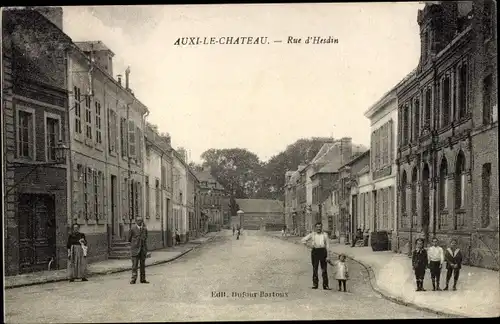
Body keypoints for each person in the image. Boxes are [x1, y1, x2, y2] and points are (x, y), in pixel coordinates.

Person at [301, 222, 331, 290]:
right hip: (315, 252)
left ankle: (325, 285)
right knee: (315, 269)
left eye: (320, 227)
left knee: (324, 269)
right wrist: (310, 246)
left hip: (323, 251)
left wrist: (328, 256)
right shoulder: (312, 234)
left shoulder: (325, 235)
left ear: (321, 227)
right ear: (315, 227)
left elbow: (328, 246)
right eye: (317, 227)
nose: (319, 228)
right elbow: (303, 240)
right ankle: (315, 284)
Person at [128, 217, 149, 284]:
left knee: (142, 265)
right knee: (134, 265)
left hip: (143, 250)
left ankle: (143, 279)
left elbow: (146, 238)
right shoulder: (132, 229)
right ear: (136, 221)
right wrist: (135, 243)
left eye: (141, 220)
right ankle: (133, 279)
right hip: (135, 249)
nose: (140, 222)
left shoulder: (144, 229)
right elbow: (129, 239)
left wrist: (145, 249)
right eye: (138, 220)